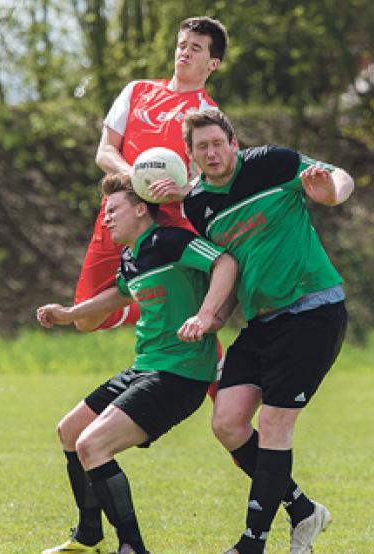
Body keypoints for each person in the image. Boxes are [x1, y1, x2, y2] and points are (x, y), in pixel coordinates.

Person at [181, 109, 354, 554]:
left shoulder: (272, 163)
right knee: (228, 422)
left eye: (218, 143)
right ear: (193, 155)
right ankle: (302, 510)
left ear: (234, 143)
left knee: (275, 423)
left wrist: (330, 193)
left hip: (312, 311)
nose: (212, 152)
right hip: (261, 322)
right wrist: (211, 316)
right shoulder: (197, 206)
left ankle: (251, 544)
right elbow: (227, 269)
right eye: (202, 147)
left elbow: (342, 178)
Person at [37, 173, 238, 554]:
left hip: (180, 374)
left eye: (113, 209)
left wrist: (208, 315)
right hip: (145, 368)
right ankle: (88, 537)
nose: (106, 218)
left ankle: (132, 548)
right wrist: (68, 314)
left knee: (92, 445)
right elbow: (118, 296)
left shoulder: (173, 241)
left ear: (141, 208)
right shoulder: (133, 256)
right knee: (70, 431)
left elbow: (225, 262)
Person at [80, 16, 228, 332]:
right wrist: (136, 177)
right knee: (85, 319)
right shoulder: (137, 91)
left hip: (169, 222)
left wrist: (183, 189)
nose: (184, 53)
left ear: (212, 63)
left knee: (181, 314)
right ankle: (140, 305)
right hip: (119, 212)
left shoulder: (210, 116)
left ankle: (214, 371)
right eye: (182, 45)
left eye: (196, 49)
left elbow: (217, 178)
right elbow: (104, 152)